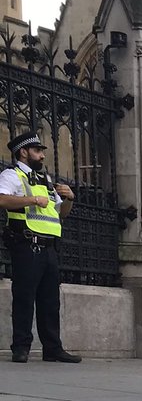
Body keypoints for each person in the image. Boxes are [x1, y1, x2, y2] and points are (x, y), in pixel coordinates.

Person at [0, 131, 79, 364]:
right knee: (24, 297)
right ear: (23, 152)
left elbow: (59, 214)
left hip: (49, 247)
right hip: (26, 244)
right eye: (37, 151)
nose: (42, 155)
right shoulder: (11, 175)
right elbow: (2, 199)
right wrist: (32, 200)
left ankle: (53, 348)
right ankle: (21, 347)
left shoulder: (45, 180)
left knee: (50, 300)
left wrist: (69, 199)